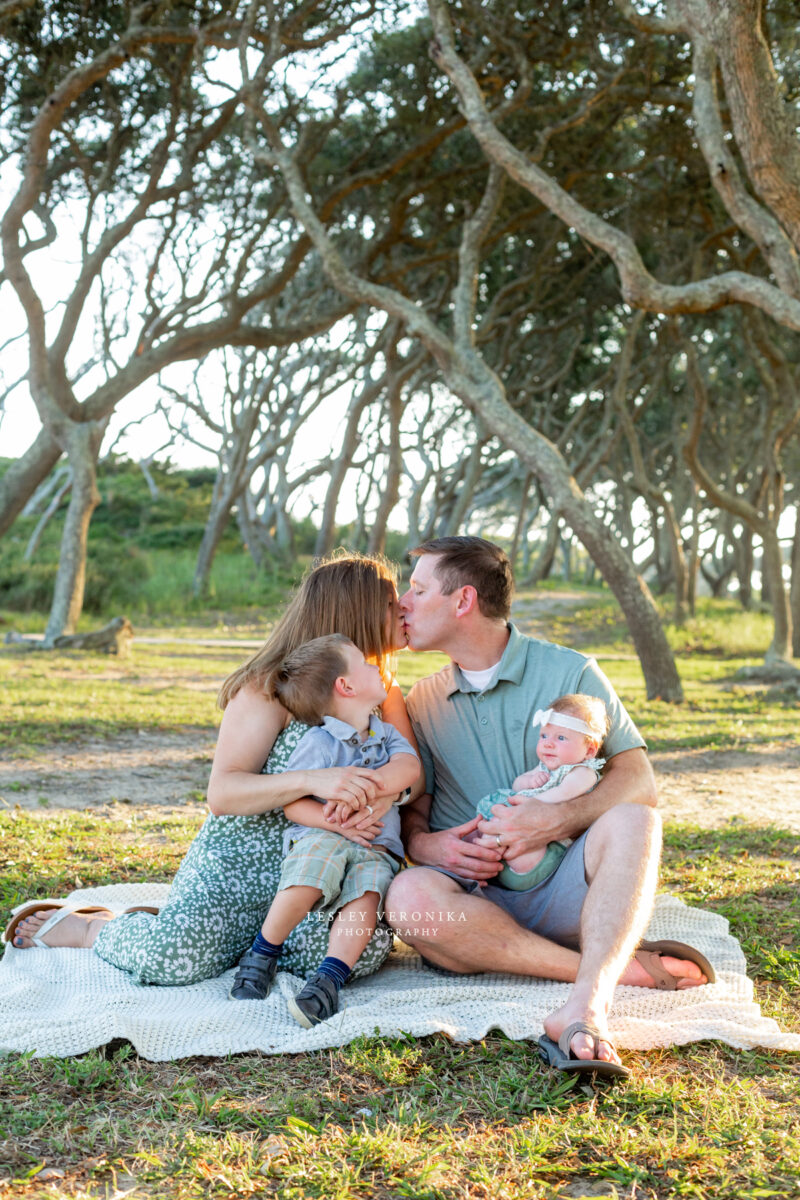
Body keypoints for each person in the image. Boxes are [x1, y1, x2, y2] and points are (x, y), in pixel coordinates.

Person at [6, 552, 418, 988]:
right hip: (239, 866)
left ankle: (243, 944)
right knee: (170, 961)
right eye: (393, 603)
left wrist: (381, 794)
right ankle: (96, 928)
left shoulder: (382, 690)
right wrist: (313, 781)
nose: (405, 608)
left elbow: (414, 774)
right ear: (359, 612)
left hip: (324, 870)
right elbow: (223, 793)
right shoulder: (267, 689)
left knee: (362, 950)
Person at [387, 536, 715, 1078]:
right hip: (472, 902)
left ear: (463, 601)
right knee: (408, 899)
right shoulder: (419, 700)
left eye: (418, 589)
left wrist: (554, 819)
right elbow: (412, 811)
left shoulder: (572, 672)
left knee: (638, 819)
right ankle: (620, 971)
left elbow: (639, 780)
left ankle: (586, 1007)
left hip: (568, 887)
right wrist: (427, 844)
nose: (403, 601)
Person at [230, 633, 419, 1026]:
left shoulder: (385, 734)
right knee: (308, 876)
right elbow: (294, 803)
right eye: (367, 665)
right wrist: (336, 824)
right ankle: (263, 951)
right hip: (324, 836)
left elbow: (410, 769)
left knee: (365, 899)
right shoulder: (319, 741)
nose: (376, 667)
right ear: (345, 686)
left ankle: (328, 981)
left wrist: (369, 791)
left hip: (376, 846)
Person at [472, 694, 608, 890]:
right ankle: (481, 870)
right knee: (483, 832)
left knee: (520, 854)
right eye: (544, 735)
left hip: (547, 850)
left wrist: (529, 802)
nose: (548, 743)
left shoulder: (583, 772)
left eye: (561, 738)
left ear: (589, 751)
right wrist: (529, 781)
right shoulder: (545, 768)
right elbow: (517, 785)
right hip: (517, 835)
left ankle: (509, 871)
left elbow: (563, 793)